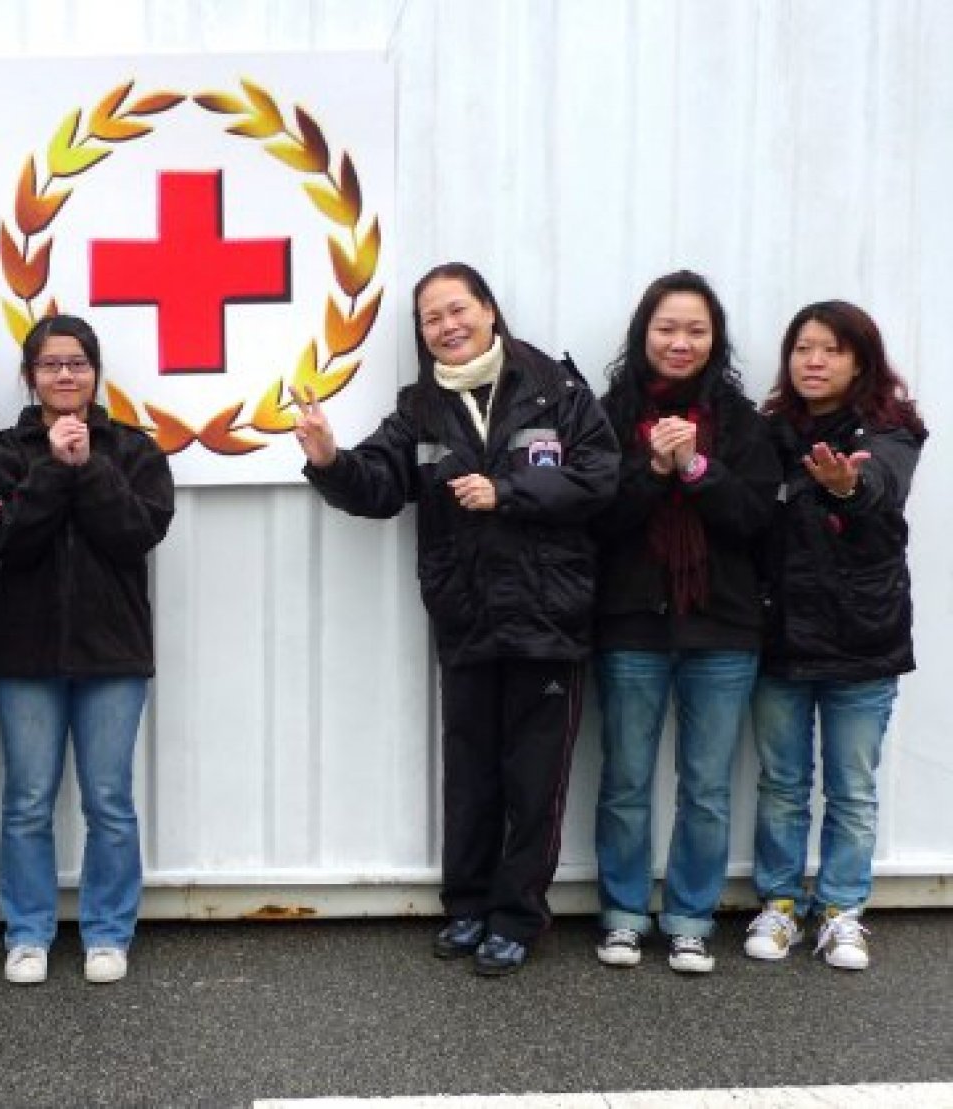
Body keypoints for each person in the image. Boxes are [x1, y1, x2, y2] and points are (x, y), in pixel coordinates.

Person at [294, 262, 619, 976]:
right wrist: (328, 458)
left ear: (489, 310)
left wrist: (508, 491)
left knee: (535, 780)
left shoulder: (558, 390)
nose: (448, 326)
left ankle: (517, 915)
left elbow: (600, 478)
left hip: (549, 619)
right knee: (470, 775)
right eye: (432, 318)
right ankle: (467, 906)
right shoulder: (420, 409)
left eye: (458, 309)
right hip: (466, 618)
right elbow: (378, 486)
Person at [589, 272, 779, 973]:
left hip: (722, 628)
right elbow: (597, 518)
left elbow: (755, 519)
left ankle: (691, 918)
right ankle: (622, 914)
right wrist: (652, 467)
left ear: (715, 339)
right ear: (644, 333)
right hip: (632, 624)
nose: (680, 342)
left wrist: (696, 466)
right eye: (667, 327)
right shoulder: (608, 415)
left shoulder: (742, 421)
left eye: (696, 330)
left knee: (706, 787)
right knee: (626, 781)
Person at [0, 314, 175, 986]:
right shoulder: (2, 452)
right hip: (23, 654)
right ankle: (27, 932)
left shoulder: (135, 450)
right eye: (50, 363)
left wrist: (88, 467)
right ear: (30, 375)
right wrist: (50, 470)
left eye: (78, 363)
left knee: (109, 801)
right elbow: (4, 537)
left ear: (95, 373)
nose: (65, 374)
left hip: (113, 654)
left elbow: (135, 533)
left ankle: (108, 931)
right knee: (28, 800)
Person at [744, 301, 926, 971]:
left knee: (852, 788)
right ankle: (780, 904)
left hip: (863, 640)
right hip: (780, 638)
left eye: (831, 349)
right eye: (803, 349)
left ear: (860, 361)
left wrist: (848, 488)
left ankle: (842, 910)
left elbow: (880, 483)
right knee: (782, 784)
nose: (813, 361)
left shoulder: (891, 431)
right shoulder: (767, 431)